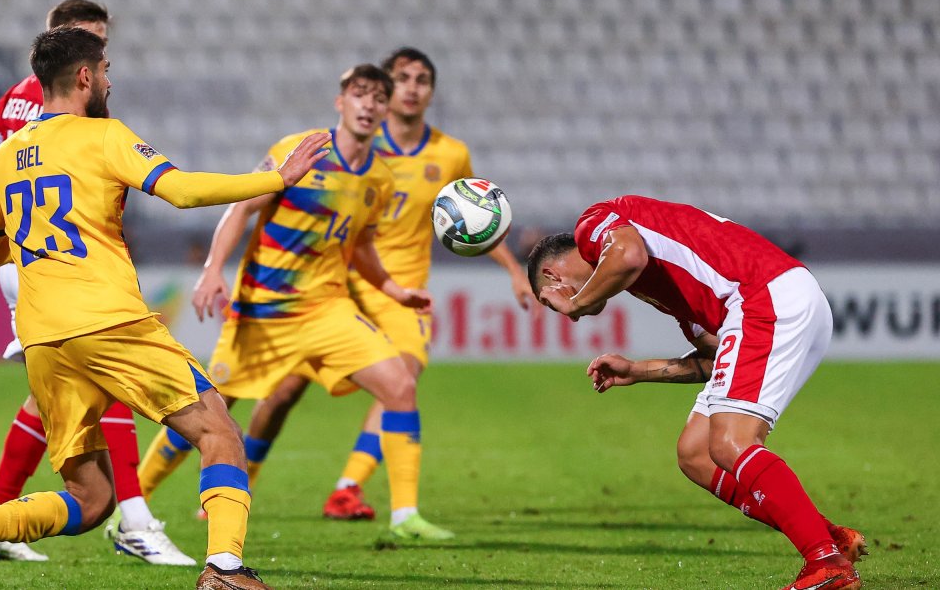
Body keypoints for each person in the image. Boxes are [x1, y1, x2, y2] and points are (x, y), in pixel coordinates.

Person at [0, 26, 331, 590]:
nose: (109, 80)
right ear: (83, 77)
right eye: (106, 70)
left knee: (92, 498)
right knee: (219, 431)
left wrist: (26, 232)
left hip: (43, 338)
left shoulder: (7, 157)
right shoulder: (104, 137)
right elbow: (184, 191)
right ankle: (224, 569)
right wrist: (277, 178)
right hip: (107, 320)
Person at [169, 47, 537, 522]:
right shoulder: (355, 143)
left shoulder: (450, 154)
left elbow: (476, 222)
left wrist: (512, 268)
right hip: (333, 287)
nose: (411, 87)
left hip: (398, 290)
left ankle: (352, 488)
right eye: (401, 78)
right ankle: (238, 480)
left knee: (401, 378)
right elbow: (267, 203)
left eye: (422, 79)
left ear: (430, 92)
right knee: (278, 395)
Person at [136, 64, 455, 542]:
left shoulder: (379, 178)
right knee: (205, 409)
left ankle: (405, 513)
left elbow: (361, 247)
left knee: (400, 385)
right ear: (340, 102)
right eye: (359, 94)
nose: (369, 104)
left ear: (386, 111)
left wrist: (392, 290)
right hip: (264, 313)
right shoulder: (298, 150)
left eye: (377, 97)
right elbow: (242, 207)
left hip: (328, 311)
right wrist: (212, 270)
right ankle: (132, 505)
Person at [0, 0, 191, 565]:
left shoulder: (13, 97)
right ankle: (132, 517)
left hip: (24, 258)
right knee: (103, 377)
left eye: (103, 43)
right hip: (65, 264)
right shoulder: (67, 103)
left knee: (52, 396)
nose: (100, 55)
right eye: (91, 43)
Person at [526, 195, 866, 590]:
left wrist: (576, 303)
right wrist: (637, 370)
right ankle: (826, 537)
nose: (564, 314)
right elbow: (713, 357)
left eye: (551, 303)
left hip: (763, 295)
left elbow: (629, 255)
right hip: (776, 300)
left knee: (730, 443)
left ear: (553, 278)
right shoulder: (657, 286)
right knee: (697, 453)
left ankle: (826, 564)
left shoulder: (595, 225)